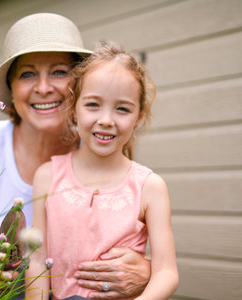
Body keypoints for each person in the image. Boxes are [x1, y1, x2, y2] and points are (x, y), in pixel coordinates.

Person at [0, 13, 152, 298]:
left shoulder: (99, 151)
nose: (44, 88)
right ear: (11, 88)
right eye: (27, 74)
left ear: (80, 83)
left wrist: (145, 270)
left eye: (59, 72)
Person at [26, 41, 179, 300]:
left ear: (139, 117)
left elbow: (166, 272)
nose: (106, 120)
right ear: (74, 109)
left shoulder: (149, 187)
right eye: (93, 105)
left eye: (122, 109)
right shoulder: (47, 177)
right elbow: (37, 261)